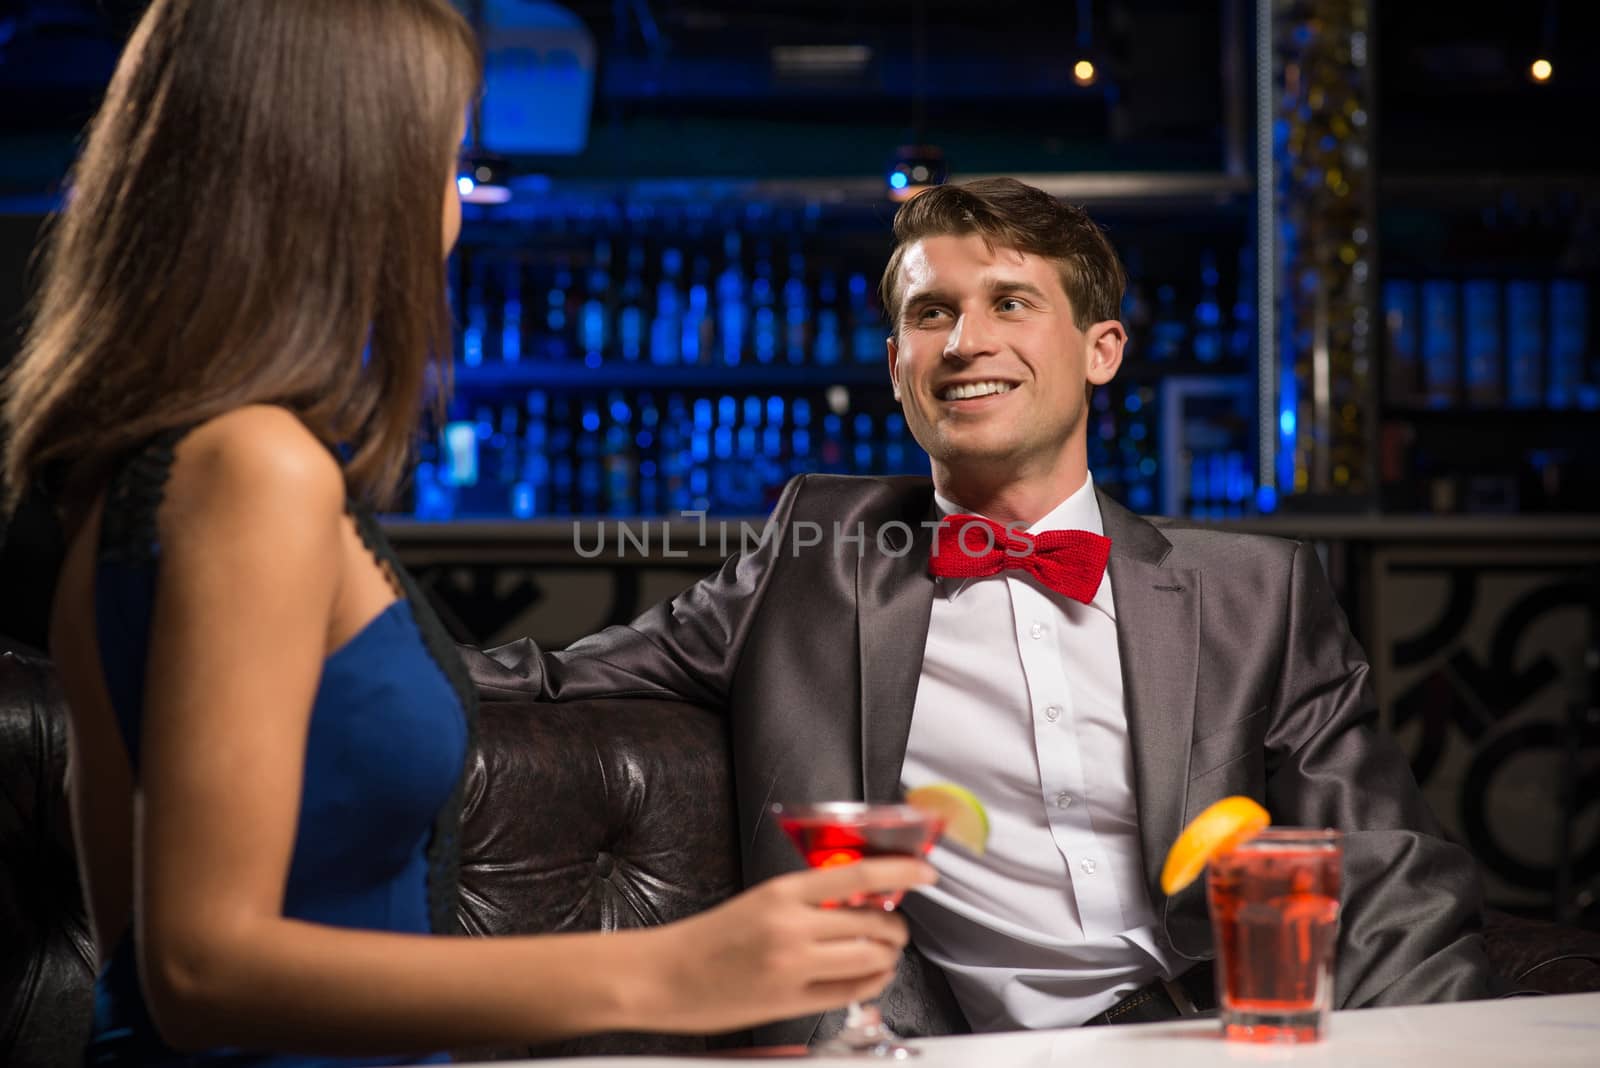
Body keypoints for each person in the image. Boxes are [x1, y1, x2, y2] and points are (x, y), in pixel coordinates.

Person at [0, 2, 933, 1064]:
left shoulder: (139, 468)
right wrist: (675, 971)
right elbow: (199, 971)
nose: (455, 210)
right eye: (444, 162)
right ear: (341, 174)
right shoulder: (249, 468)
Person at [465, 177, 1499, 1043]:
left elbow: (1387, 867)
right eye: (930, 313)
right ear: (896, 366)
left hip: (1225, 1035)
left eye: (1010, 303)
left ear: (1102, 351)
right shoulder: (815, 565)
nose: (965, 340)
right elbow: (554, 677)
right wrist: (320, 661)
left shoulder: (1253, 592)